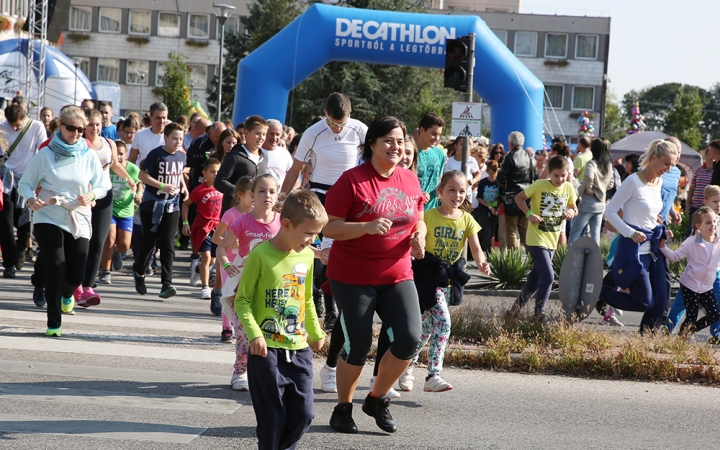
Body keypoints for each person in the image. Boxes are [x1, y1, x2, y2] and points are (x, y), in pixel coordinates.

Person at [324, 116, 425, 434]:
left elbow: (418, 216)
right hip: (352, 275)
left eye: (400, 140)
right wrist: (365, 227)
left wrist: (419, 235)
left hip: (397, 272)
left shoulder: (409, 178)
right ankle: (342, 409)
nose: (396, 147)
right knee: (357, 344)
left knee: (410, 338)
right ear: (372, 145)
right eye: (389, 141)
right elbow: (329, 226)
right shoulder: (352, 180)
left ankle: (376, 398)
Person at [234, 189, 327, 450]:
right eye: (308, 233)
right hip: (266, 353)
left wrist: (316, 331)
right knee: (272, 420)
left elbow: (305, 298)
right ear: (286, 225)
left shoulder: (307, 256)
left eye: (316, 233)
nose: (313, 239)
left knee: (304, 415)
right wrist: (255, 335)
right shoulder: (260, 256)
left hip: (298, 349)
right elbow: (241, 300)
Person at [18, 105, 106, 336]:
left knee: (76, 274)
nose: (76, 133)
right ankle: (53, 322)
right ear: (60, 126)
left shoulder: (88, 155)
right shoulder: (45, 154)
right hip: (48, 213)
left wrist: (92, 194)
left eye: (80, 129)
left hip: (78, 215)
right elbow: (25, 183)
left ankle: (67, 292)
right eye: (71, 128)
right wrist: (30, 199)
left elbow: (102, 185)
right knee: (57, 266)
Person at [403, 170, 491, 392]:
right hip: (427, 275)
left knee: (426, 328)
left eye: (462, 191)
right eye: (452, 190)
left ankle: (405, 365)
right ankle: (433, 375)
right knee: (443, 322)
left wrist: (482, 263)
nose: (458, 195)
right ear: (440, 192)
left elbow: (476, 248)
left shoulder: (467, 219)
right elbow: (415, 241)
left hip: (448, 278)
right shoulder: (429, 216)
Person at [597, 139, 680, 333]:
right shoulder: (632, 181)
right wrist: (630, 232)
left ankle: (647, 341)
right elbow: (609, 212)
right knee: (644, 302)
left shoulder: (659, 182)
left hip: (654, 248)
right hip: (634, 251)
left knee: (660, 301)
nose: (668, 169)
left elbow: (648, 210)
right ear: (653, 158)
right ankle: (598, 293)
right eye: (666, 163)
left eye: (673, 165)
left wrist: (659, 222)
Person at [217, 174, 281, 391]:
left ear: (278, 195)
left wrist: (319, 253)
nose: (267, 195)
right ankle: (240, 372)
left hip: (272, 289)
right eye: (262, 191)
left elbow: (298, 246)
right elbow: (221, 247)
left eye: (272, 191)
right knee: (245, 335)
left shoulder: (283, 222)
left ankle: (267, 373)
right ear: (252, 195)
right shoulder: (242, 221)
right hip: (244, 288)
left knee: (270, 333)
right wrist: (226, 265)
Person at [75, 109, 135, 307]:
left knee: (99, 241)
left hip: (104, 196)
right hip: (83, 196)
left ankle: (88, 287)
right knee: (81, 240)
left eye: (97, 124)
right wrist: (89, 193)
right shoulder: (80, 144)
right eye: (90, 124)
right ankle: (74, 282)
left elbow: (115, 164)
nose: (94, 128)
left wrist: (128, 179)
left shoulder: (109, 143)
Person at [506, 156, 577, 321]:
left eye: (563, 175)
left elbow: (574, 207)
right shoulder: (539, 185)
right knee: (548, 276)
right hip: (536, 238)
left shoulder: (569, 188)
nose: (560, 179)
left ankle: (512, 313)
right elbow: (519, 198)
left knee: (534, 280)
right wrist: (529, 214)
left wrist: (572, 212)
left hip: (552, 239)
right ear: (549, 173)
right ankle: (539, 314)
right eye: (556, 175)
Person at [133, 122, 188, 299]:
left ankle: (167, 283)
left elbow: (178, 172)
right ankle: (139, 272)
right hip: (152, 204)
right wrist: (162, 185)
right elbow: (142, 175)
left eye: (180, 139)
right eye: (174, 138)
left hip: (172, 204)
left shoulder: (181, 155)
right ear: (165, 138)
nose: (178, 142)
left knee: (168, 243)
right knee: (150, 241)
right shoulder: (156, 154)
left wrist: (183, 187)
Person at [280, 93, 367, 196]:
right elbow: (294, 170)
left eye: (342, 124)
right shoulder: (311, 133)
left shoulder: (360, 129)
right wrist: (281, 198)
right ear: (325, 113)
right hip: (320, 192)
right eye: (334, 123)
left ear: (349, 113)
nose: (338, 128)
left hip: (349, 193)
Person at [666, 185, 720, 339]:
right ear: (706, 202)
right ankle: (668, 328)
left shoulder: (718, 222)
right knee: (681, 304)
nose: (719, 205)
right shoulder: (701, 223)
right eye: (715, 201)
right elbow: (691, 246)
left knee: (716, 307)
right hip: (694, 275)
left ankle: (716, 335)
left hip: (714, 272)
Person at [0, 104, 47, 277]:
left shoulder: (36, 127)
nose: (14, 128)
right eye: (11, 124)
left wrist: (40, 178)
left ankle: (21, 251)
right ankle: (9, 263)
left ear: (25, 118)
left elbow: (42, 152)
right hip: (6, 180)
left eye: (17, 125)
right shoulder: (2, 128)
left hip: (27, 180)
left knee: (24, 223)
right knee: (5, 221)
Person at [212, 176, 254, 339]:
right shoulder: (231, 214)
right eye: (251, 194)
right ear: (240, 194)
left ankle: (241, 326)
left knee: (244, 294)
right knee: (228, 293)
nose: (254, 199)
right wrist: (230, 244)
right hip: (229, 261)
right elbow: (216, 237)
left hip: (246, 261)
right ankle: (226, 327)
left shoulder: (254, 214)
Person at [98, 141, 142, 284]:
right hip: (110, 208)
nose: (120, 157)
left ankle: (116, 253)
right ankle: (105, 271)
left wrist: (139, 193)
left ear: (126, 154)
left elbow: (139, 182)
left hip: (127, 209)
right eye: (117, 154)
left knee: (125, 245)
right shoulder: (107, 168)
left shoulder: (133, 169)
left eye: (122, 154)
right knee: (109, 241)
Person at [182, 158, 223, 299]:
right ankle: (205, 287)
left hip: (218, 227)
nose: (216, 174)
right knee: (205, 257)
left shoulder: (223, 189)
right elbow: (186, 204)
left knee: (212, 260)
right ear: (205, 173)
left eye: (218, 171)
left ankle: (198, 269)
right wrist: (185, 223)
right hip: (203, 227)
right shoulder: (199, 190)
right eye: (212, 171)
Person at [215, 115, 268, 213]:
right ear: (246, 133)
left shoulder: (264, 158)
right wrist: (241, 193)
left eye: (264, 134)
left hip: (254, 214)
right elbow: (219, 182)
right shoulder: (235, 156)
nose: (261, 138)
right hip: (233, 213)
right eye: (258, 133)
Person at [568, 138, 614, 245]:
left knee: (575, 233)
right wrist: (601, 190)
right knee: (595, 234)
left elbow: (589, 177)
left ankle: (569, 258)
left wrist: (590, 190)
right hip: (601, 203)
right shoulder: (609, 165)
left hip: (588, 202)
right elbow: (611, 184)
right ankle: (595, 260)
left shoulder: (592, 163)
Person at [497, 131, 536, 249]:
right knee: (524, 230)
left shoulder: (509, 158)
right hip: (527, 198)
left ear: (510, 144)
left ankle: (514, 261)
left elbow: (501, 179)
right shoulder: (530, 158)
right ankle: (531, 259)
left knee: (511, 230)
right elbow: (535, 178)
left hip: (511, 198)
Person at [415, 113, 447, 210]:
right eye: (433, 134)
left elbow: (439, 177)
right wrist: (417, 194)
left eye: (439, 135)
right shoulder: (409, 153)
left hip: (433, 211)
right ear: (422, 130)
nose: (437, 139)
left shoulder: (440, 154)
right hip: (412, 211)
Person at [684, 144, 716, 237]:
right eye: (709, 154)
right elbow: (692, 188)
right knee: (692, 232)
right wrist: (688, 204)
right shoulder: (698, 170)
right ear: (705, 156)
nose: (712, 157)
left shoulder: (716, 171)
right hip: (696, 207)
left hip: (710, 209)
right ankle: (689, 250)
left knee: (708, 232)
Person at [474, 160, 500, 252]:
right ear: (487, 170)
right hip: (484, 209)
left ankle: (494, 251)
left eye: (495, 173)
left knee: (495, 232)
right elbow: (479, 197)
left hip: (496, 210)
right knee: (487, 232)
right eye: (491, 173)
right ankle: (488, 252)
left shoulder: (499, 183)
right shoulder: (483, 182)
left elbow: (501, 197)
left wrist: (497, 208)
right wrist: (489, 207)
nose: (493, 175)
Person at [263, 119, 296, 188]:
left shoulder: (285, 153)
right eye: (271, 134)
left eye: (277, 134)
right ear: (264, 133)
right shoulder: (256, 151)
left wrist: (285, 194)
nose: (274, 138)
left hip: (279, 197)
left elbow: (294, 176)